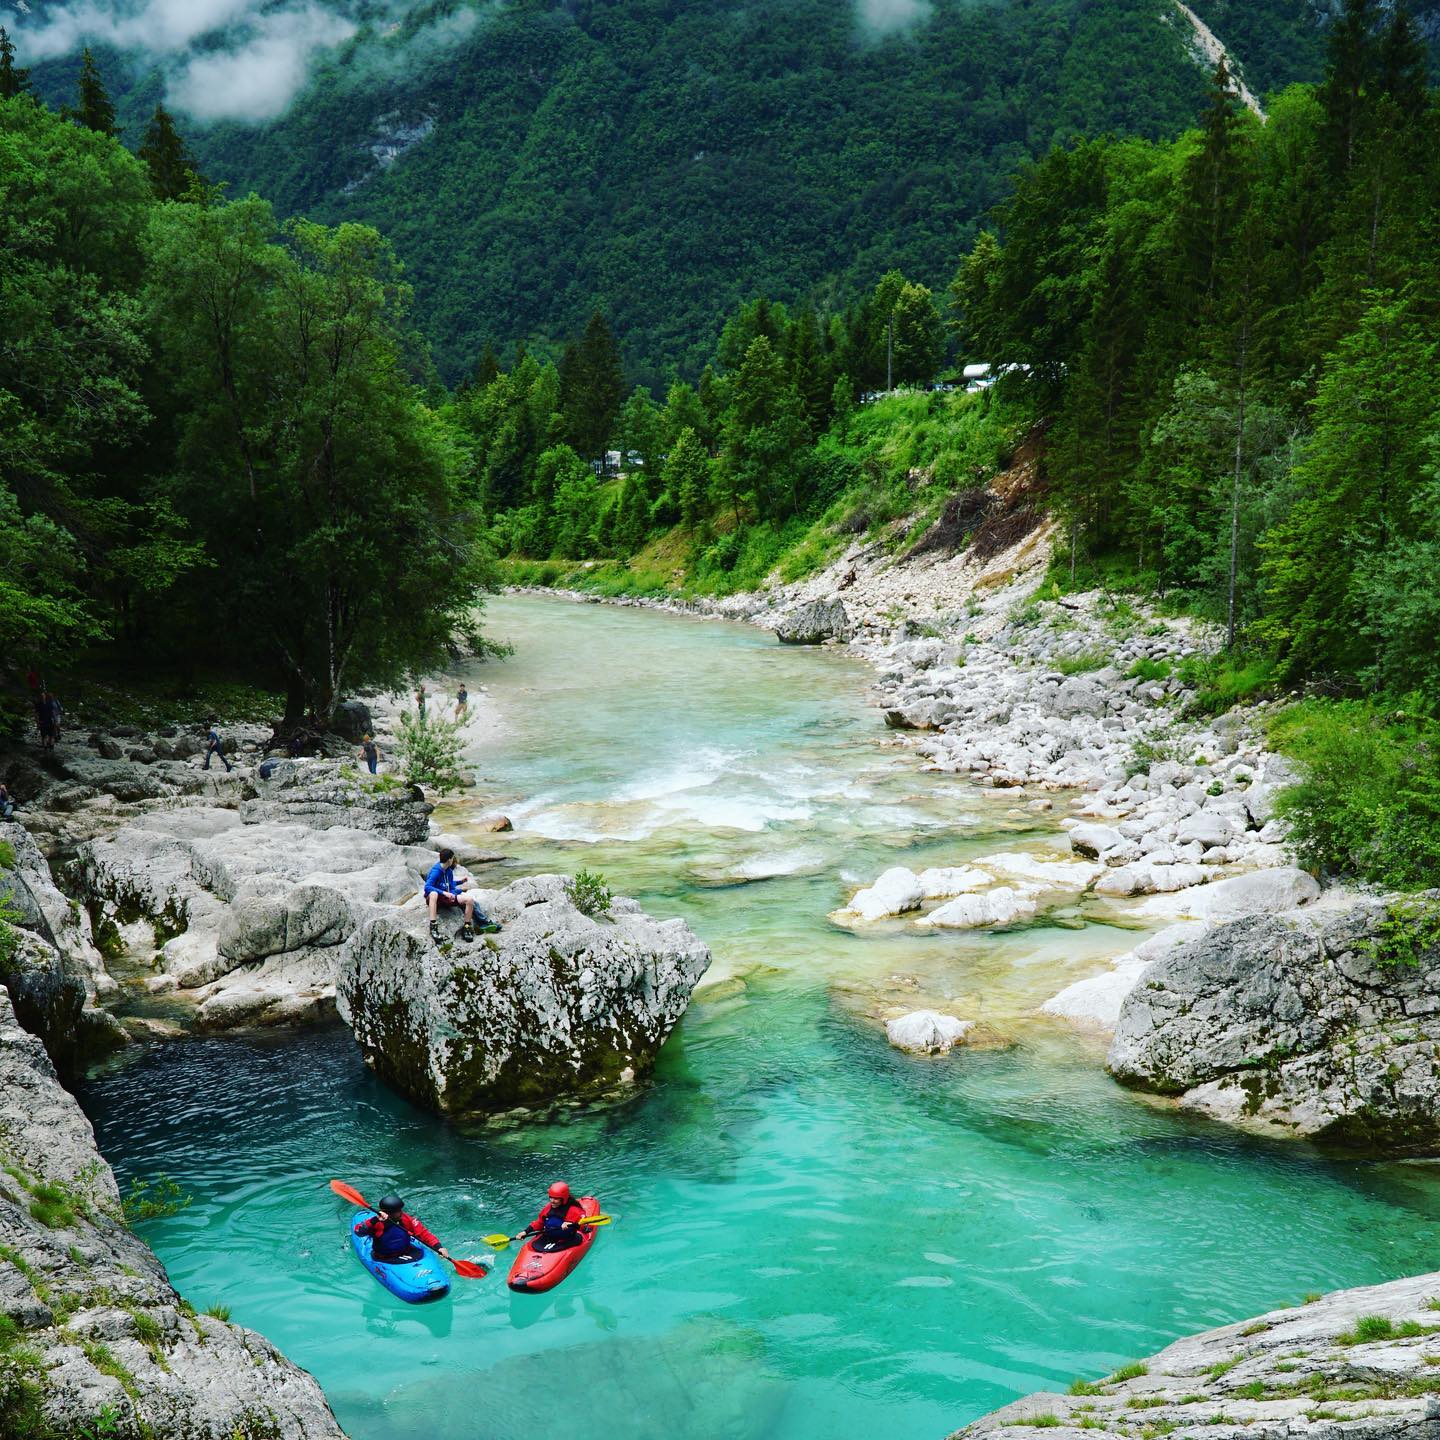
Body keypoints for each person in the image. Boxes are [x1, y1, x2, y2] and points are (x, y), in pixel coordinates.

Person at [353, 1194, 453, 1267]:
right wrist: (374, 1220)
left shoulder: (406, 1219)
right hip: (384, 1257)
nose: (401, 1213)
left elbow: (424, 1233)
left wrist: (439, 1247)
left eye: (400, 1210)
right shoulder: (376, 1222)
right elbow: (358, 1231)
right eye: (397, 1211)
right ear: (388, 1213)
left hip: (407, 1251)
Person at [424, 848, 499, 943]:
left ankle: (467, 927)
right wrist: (444, 893)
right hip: (437, 898)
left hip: (447, 898)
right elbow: (427, 887)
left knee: (469, 900)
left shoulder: (449, 871)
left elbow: (450, 886)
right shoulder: (436, 871)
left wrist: (453, 894)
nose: (453, 860)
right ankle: (433, 926)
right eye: (452, 858)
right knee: (433, 893)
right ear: (449, 859)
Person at [518, 1182, 586, 1252]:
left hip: (567, 1240)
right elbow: (539, 1223)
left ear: (563, 1198)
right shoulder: (548, 1208)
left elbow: (586, 1227)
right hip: (548, 1238)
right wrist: (525, 1232)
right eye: (551, 1198)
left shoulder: (574, 1210)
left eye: (556, 1199)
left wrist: (572, 1224)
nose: (552, 1201)